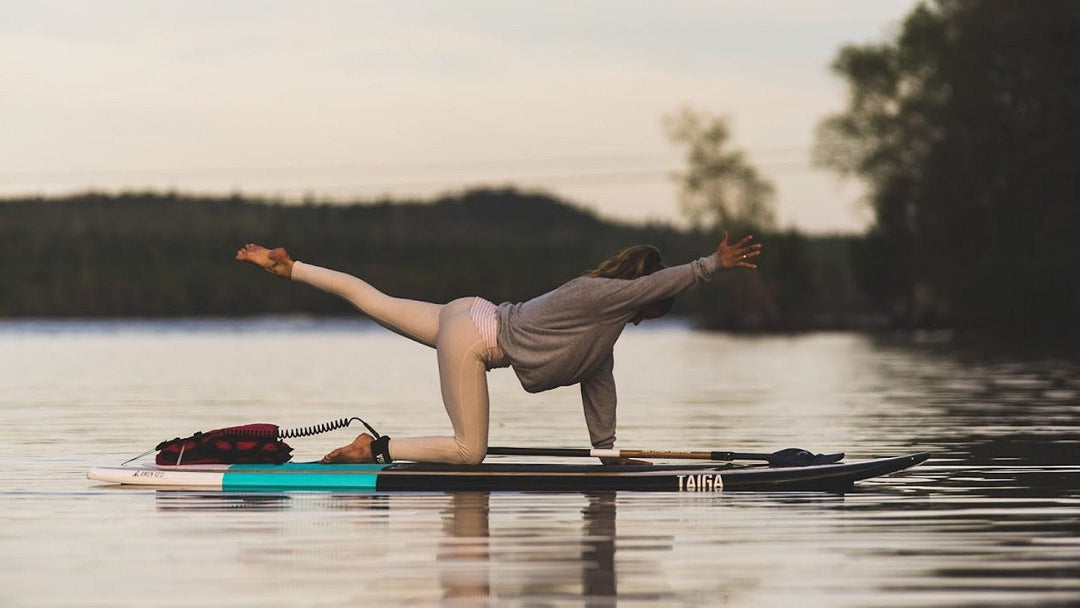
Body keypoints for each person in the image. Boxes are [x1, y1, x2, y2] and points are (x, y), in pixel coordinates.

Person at [236, 232, 761, 465]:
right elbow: (656, 286)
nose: (642, 318)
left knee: (376, 300)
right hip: (474, 339)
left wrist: (607, 454)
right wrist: (711, 266)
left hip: (470, 313)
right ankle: (372, 449)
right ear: (644, 300)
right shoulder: (604, 297)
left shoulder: (599, 326)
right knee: (470, 452)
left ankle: (290, 267)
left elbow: (599, 383)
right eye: (648, 312)